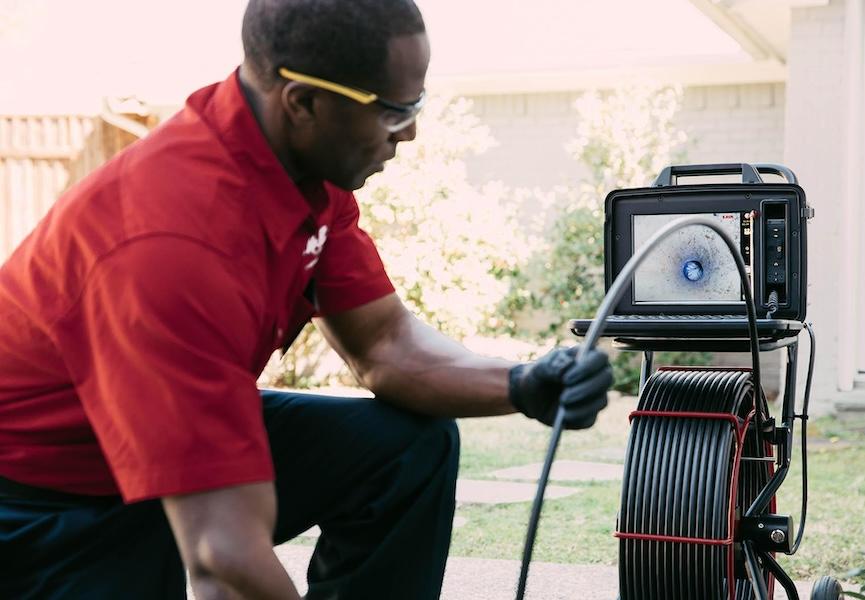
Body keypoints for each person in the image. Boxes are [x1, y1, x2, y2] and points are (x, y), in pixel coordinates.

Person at [0, 0, 613, 598]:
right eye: (394, 111)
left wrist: (523, 382)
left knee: (403, 449)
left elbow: (385, 343)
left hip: (159, 433)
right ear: (304, 102)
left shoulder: (308, 170)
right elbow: (226, 560)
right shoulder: (172, 241)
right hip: (51, 498)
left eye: (417, 104)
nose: (412, 132)